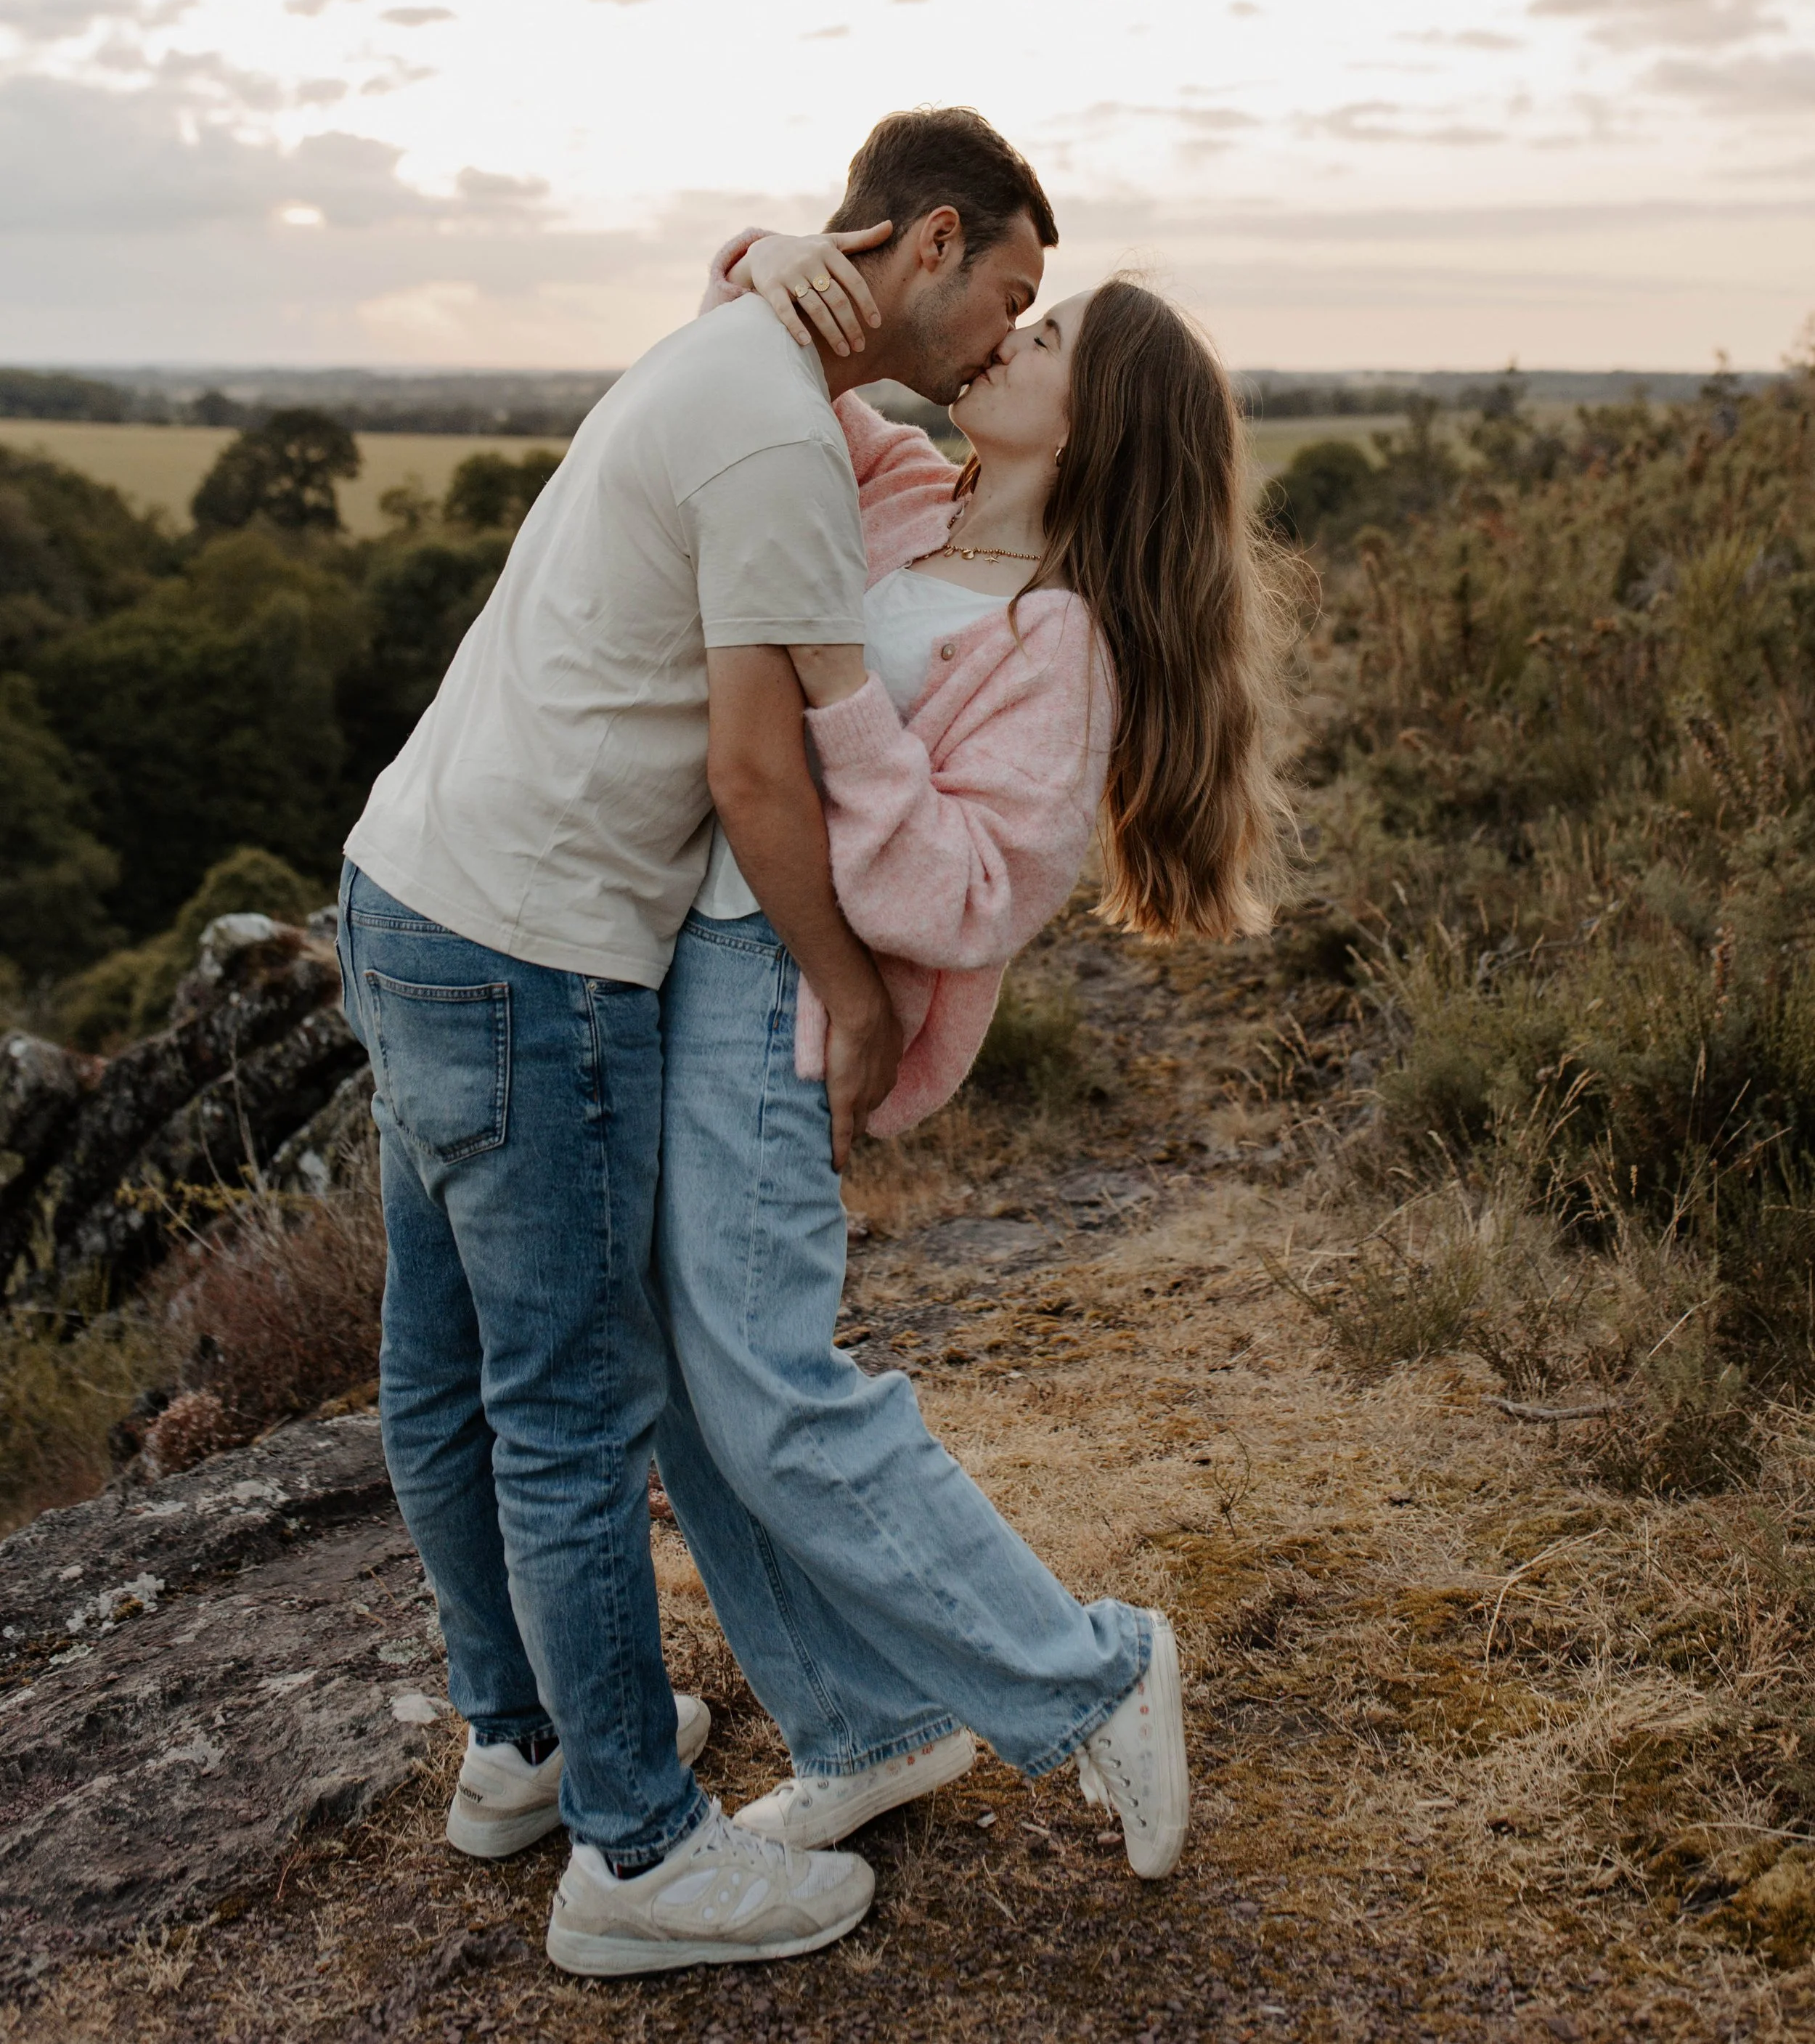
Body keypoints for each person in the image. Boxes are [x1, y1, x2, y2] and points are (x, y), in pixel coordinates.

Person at [335, 107, 1054, 1977]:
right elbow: (755, 772)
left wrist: (748, 255)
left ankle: (516, 1743)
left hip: (409, 883)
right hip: (535, 945)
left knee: (441, 1374)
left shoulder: (737, 359)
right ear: (934, 240)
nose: (999, 339)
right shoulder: (776, 436)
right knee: (575, 1414)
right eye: (1009, 294)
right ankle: (637, 1860)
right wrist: (859, 985)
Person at [645, 216, 1293, 1879]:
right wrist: (777, 251)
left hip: (778, 999)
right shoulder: (910, 498)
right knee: (684, 1389)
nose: (1006, 340)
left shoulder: (1055, 645)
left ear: (1096, 423)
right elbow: (764, 348)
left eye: (1050, 338)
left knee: (774, 1392)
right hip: (695, 953)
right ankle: (861, 1722)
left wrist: (840, 692)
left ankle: (1085, 1674)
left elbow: (970, 892)